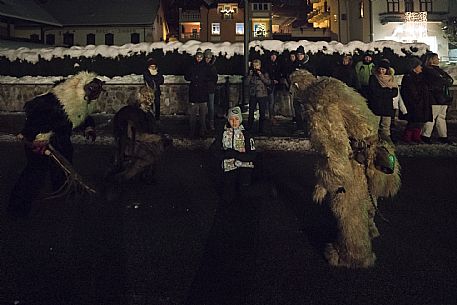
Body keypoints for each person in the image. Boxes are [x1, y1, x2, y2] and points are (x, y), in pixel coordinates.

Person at [289, 69, 401, 268]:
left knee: (348, 206)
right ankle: (369, 228)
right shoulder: (332, 84)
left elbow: (333, 145)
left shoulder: (318, 102)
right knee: (365, 196)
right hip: (373, 147)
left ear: (297, 88)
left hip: (355, 155)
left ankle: (354, 253)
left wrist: (332, 178)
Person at [8, 71, 104, 217]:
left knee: (64, 164)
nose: (96, 96)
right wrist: (40, 136)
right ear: (86, 88)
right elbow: (34, 110)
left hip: (60, 138)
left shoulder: (83, 100)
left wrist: (88, 127)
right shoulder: (57, 100)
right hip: (38, 139)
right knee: (35, 172)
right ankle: (17, 208)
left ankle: (61, 196)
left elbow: (81, 115)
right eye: (94, 91)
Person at [210, 106, 256, 204]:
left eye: (236, 119)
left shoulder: (246, 134)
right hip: (229, 166)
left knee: (244, 193)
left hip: (244, 165)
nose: (234, 122)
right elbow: (213, 150)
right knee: (227, 196)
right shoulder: (223, 133)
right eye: (231, 119)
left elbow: (252, 155)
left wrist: (236, 154)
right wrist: (224, 155)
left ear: (240, 119)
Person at [420, 52, 454, 144]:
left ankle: (443, 136)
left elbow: (449, 80)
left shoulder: (437, 70)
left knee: (441, 117)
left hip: (441, 97)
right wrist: (444, 81)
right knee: (432, 117)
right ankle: (425, 135)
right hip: (435, 97)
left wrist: (445, 81)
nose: (438, 60)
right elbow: (442, 81)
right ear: (431, 60)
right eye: (437, 58)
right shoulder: (428, 71)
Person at [400, 57, 433, 144]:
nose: (421, 68)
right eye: (419, 66)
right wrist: (418, 99)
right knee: (413, 121)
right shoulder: (409, 77)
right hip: (414, 103)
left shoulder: (420, 77)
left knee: (419, 121)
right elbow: (410, 91)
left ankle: (416, 136)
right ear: (414, 67)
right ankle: (407, 137)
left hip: (421, 103)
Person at [367, 59, 399, 142]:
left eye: (383, 69)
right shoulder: (373, 78)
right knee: (374, 125)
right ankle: (373, 141)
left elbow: (395, 92)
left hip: (387, 106)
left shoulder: (391, 79)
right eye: (380, 69)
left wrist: (384, 91)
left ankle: (386, 142)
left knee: (386, 126)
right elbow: (375, 91)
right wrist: (388, 91)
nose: (381, 71)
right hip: (376, 105)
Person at [185, 48, 210, 138]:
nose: (199, 58)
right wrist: (194, 77)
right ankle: (192, 132)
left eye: (200, 57)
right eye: (197, 57)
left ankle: (202, 132)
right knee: (192, 116)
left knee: (202, 116)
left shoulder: (206, 67)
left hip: (202, 94)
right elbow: (186, 76)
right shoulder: (191, 66)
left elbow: (210, 78)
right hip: (194, 94)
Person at [292, 45, 314, 136]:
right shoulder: (295, 64)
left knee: (306, 109)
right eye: (298, 55)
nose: (299, 56)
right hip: (297, 91)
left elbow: (312, 77)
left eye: (301, 54)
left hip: (306, 91)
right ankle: (299, 127)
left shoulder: (309, 65)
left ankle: (307, 127)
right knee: (297, 109)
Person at [246, 59, 271, 134]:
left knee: (262, 113)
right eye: (254, 65)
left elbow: (268, 82)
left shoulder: (264, 73)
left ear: (260, 65)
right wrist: (250, 75)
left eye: (257, 65)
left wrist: (261, 75)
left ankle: (261, 129)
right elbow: (246, 83)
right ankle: (249, 127)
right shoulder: (251, 73)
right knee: (251, 112)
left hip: (262, 95)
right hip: (253, 95)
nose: (255, 67)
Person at [143, 57, 164, 122]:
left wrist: (155, 77)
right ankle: (150, 119)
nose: (153, 68)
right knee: (149, 105)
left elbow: (161, 81)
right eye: (151, 66)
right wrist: (155, 77)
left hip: (156, 91)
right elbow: (149, 80)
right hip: (149, 92)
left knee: (157, 105)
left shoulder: (158, 72)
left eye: (154, 66)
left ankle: (157, 118)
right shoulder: (146, 72)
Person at [264, 50, 281, 123]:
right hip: (269, 85)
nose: (273, 57)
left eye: (275, 56)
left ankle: (270, 115)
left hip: (276, 85)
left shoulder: (278, 64)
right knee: (271, 101)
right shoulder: (267, 64)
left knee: (272, 101)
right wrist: (271, 81)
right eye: (272, 56)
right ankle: (271, 116)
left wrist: (277, 80)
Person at [204, 48, 218, 131]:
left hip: (210, 88)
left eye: (209, 58)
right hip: (204, 88)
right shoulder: (206, 66)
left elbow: (215, 78)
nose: (208, 59)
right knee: (204, 107)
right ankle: (205, 123)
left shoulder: (212, 67)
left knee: (211, 107)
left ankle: (211, 123)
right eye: (206, 58)